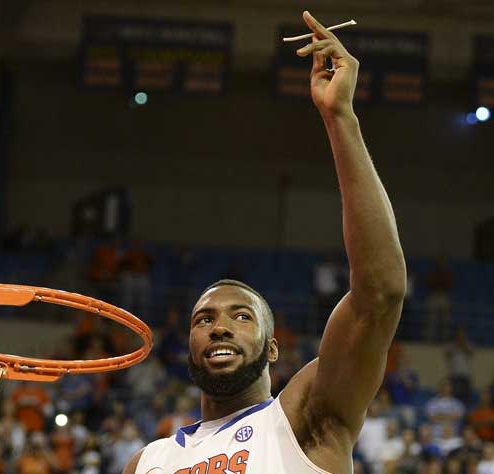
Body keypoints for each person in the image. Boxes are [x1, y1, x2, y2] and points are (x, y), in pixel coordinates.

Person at [124, 11, 407, 474]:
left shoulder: (304, 419)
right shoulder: (148, 461)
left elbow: (380, 294)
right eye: (204, 319)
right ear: (187, 345)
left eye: (241, 316)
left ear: (272, 347)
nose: (219, 327)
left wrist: (340, 117)